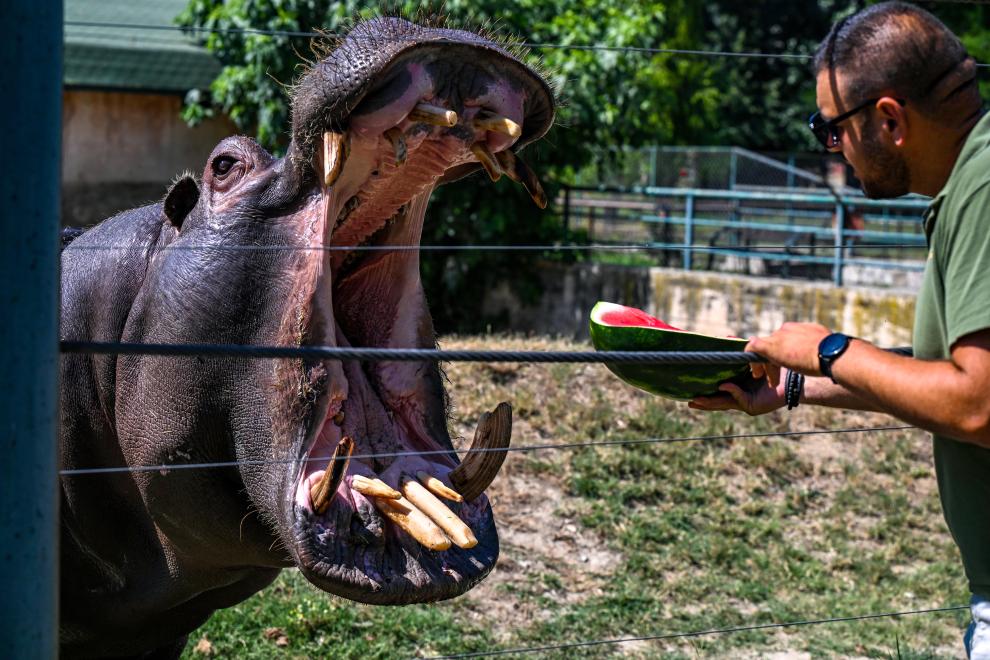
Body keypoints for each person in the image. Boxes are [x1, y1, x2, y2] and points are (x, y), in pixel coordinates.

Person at [688, 3, 990, 657]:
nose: (833, 146)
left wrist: (830, 349)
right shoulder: (970, 181)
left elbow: (976, 404)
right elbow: (942, 379)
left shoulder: (986, 188)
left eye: (832, 128)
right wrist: (797, 388)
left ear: (889, 119)